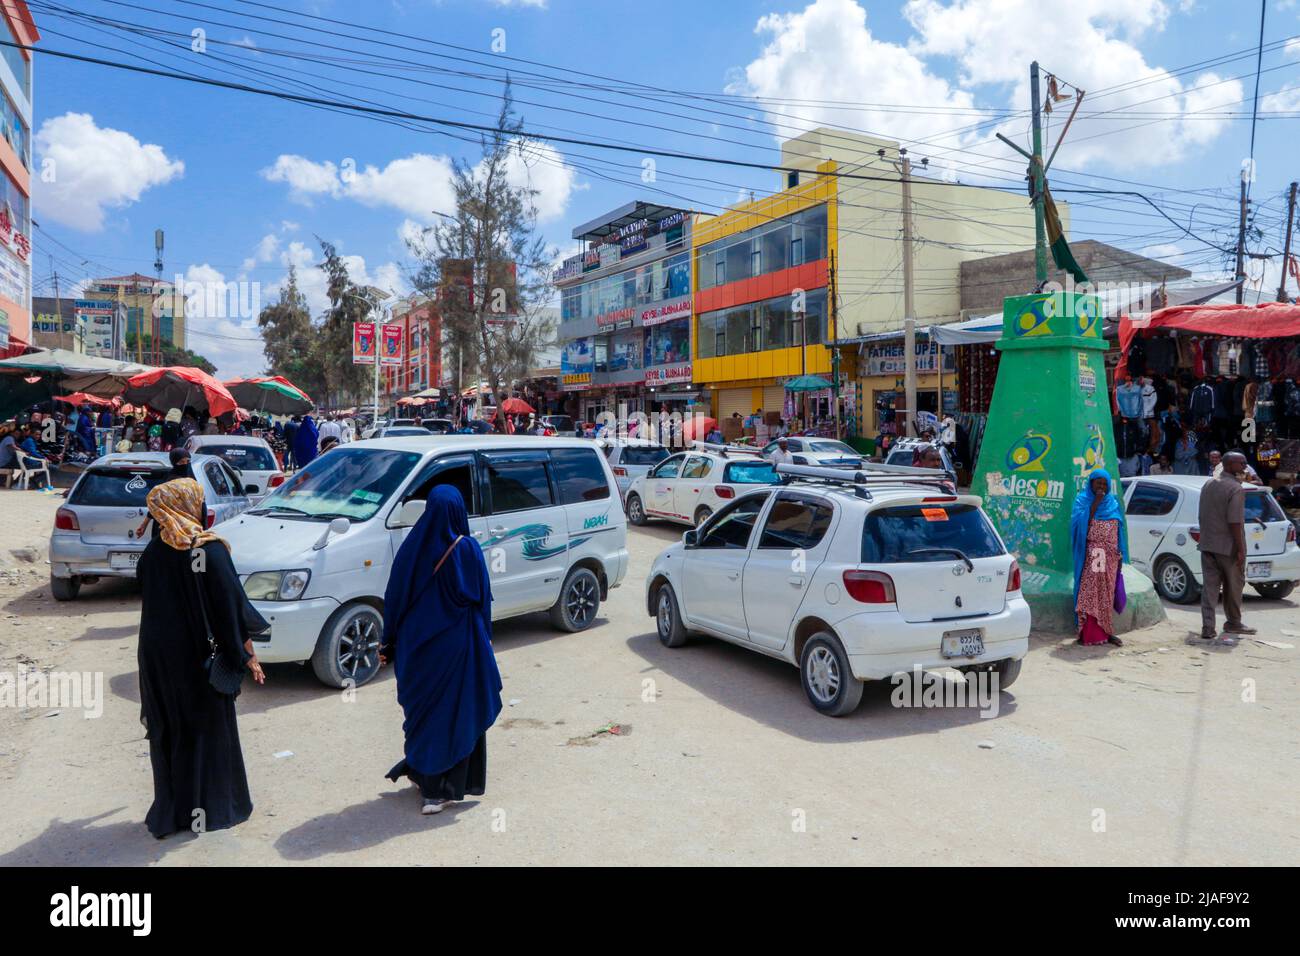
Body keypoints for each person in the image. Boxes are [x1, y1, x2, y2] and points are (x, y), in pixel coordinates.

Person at [136, 479, 268, 838]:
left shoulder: (154, 552)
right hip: (197, 659)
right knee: (207, 730)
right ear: (190, 505)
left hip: (158, 658)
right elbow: (230, 610)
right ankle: (213, 810)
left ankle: (174, 812)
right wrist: (246, 655)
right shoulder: (208, 550)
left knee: (171, 730)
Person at [380, 486, 503, 815]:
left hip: (416, 651)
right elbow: (482, 600)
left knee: (424, 717)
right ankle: (442, 790)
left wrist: (386, 641)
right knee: (458, 713)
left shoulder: (411, 549)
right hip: (458, 648)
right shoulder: (468, 549)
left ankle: (425, 778)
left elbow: (393, 599)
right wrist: (486, 639)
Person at [1197, 452, 1255, 643]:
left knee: (1210, 588)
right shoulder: (1235, 488)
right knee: (1234, 586)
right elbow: (1235, 522)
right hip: (1228, 547)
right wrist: (1241, 549)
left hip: (1207, 544)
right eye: (1242, 463)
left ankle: (1207, 627)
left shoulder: (1209, 483)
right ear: (1230, 465)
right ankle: (1233, 622)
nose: (1245, 466)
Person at [1070, 469, 1129, 648]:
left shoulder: (1112, 502)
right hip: (1094, 554)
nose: (1101, 487)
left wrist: (1119, 553)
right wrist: (1095, 502)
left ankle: (1107, 631)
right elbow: (1080, 525)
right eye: (1098, 483)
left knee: (1107, 593)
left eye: (1104, 484)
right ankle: (1088, 634)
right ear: (1091, 483)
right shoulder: (1082, 500)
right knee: (1091, 591)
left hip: (1111, 555)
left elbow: (1119, 528)